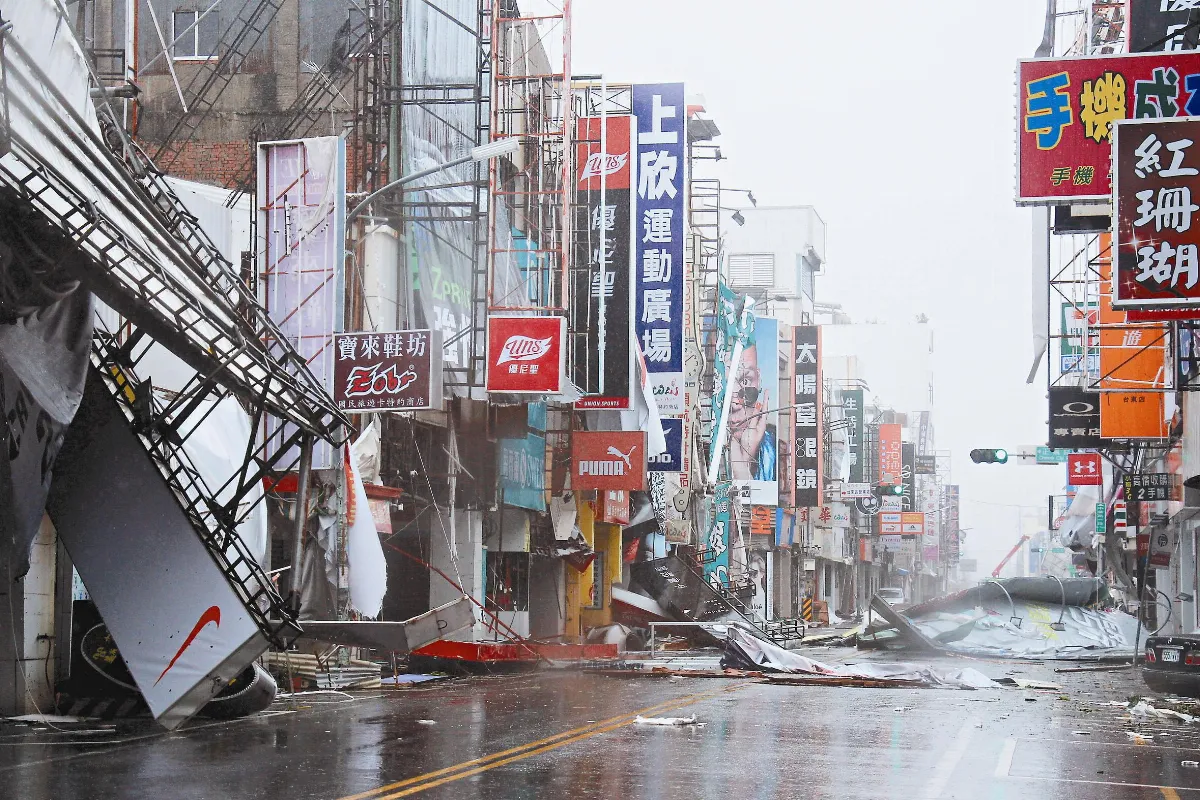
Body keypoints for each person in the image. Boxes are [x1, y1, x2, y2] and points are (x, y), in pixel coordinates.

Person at [728, 342, 776, 481]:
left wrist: (744, 461)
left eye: (745, 381)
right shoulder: (697, 452)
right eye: (722, 385)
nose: (735, 404)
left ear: (758, 380)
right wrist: (743, 461)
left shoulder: (775, 451)